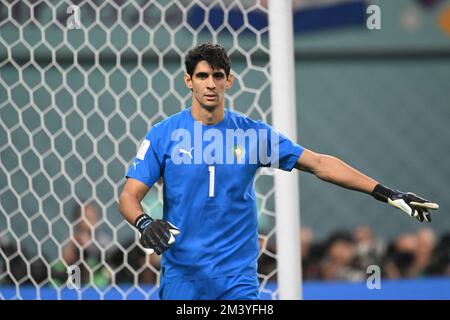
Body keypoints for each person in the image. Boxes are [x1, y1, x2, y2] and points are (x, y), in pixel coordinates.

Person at [118, 43, 439, 300]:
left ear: (229, 80)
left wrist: (386, 192)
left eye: (218, 76)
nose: (211, 84)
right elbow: (130, 195)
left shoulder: (253, 135)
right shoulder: (164, 134)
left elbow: (318, 163)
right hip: (183, 276)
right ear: (188, 81)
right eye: (202, 76)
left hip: (236, 279)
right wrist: (145, 222)